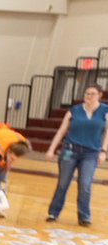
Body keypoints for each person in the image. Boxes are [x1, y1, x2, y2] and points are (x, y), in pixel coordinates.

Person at [45, 84, 107, 226]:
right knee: (63, 183)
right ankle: (53, 213)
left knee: (85, 184)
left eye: (92, 94)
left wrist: (103, 151)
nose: (89, 97)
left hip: (91, 153)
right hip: (70, 151)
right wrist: (51, 149)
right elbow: (61, 131)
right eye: (87, 93)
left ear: (99, 95)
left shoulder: (105, 111)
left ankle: (84, 216)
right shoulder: (74, 111)